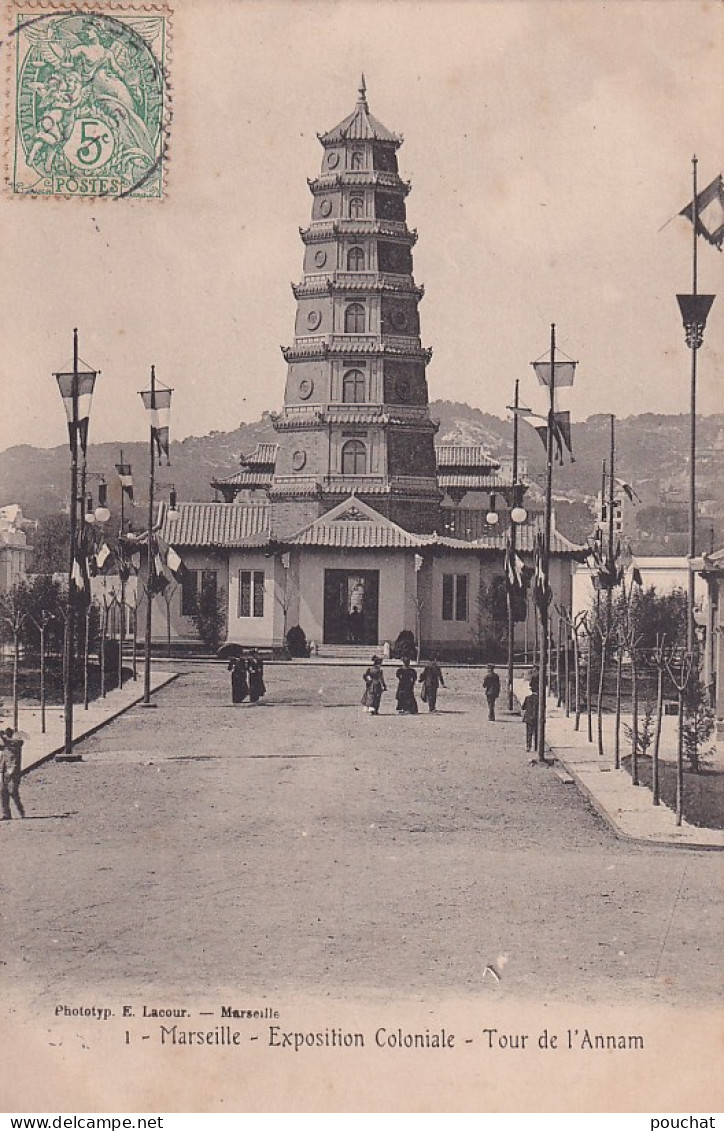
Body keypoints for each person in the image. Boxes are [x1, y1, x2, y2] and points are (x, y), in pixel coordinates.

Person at [1, 727, 26, 820]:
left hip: (13, 772)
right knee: (3, 792)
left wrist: (3, 736)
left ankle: (20, 809)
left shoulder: (16, 745)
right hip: (5, 772)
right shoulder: (7, 746)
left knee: (12, 792)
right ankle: (6, 813)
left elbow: (11, 743)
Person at [521, 687, 539, 753]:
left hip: (528, 718)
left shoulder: (527, 698)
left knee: (529, 733)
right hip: (536, 718)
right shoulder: (539, 699)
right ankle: (536, 747)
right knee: (536, 733)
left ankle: (528, 746)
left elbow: (523, 707)